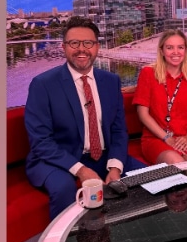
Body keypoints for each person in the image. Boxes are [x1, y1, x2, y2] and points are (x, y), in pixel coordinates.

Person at [24, 16, 146, 220]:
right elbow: (41, 142)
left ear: (97, 46)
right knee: (63, 189)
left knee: (149, 178)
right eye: (74, 43)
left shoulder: (110, 81)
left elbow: (118, 130)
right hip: (55, 159)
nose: (82, 49)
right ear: (64, 47)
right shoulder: (43, 84)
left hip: (102, 156)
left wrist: (115, 168)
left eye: (88, 43)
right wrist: (81, 170)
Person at [133, 29, 187, 165]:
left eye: (180, 47)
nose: (175, 52)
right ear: (162, 51)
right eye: (169, 47)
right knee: (177, 163)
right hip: (157, 137)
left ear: (186, 50)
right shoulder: (148, 73)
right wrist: (167, 138)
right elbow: (143, 114)